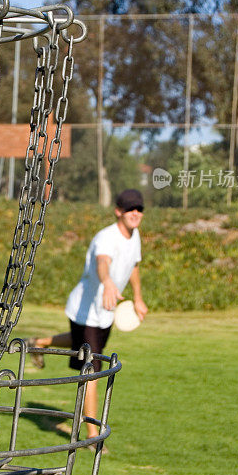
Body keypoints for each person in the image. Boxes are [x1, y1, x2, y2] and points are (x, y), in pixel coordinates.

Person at [27, 188, 148, 447]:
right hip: (86, 309)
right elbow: (102, 262)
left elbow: (134, 265)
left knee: (79, 344)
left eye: (139, 209)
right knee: (92, 369)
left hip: (105, 310)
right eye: (130, 209)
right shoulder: (106, 238)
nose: (135, 213)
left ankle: (38, 343)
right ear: (118, 211)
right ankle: (92, 436)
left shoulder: (134, 236)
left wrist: (137, 297)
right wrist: (107, 282)